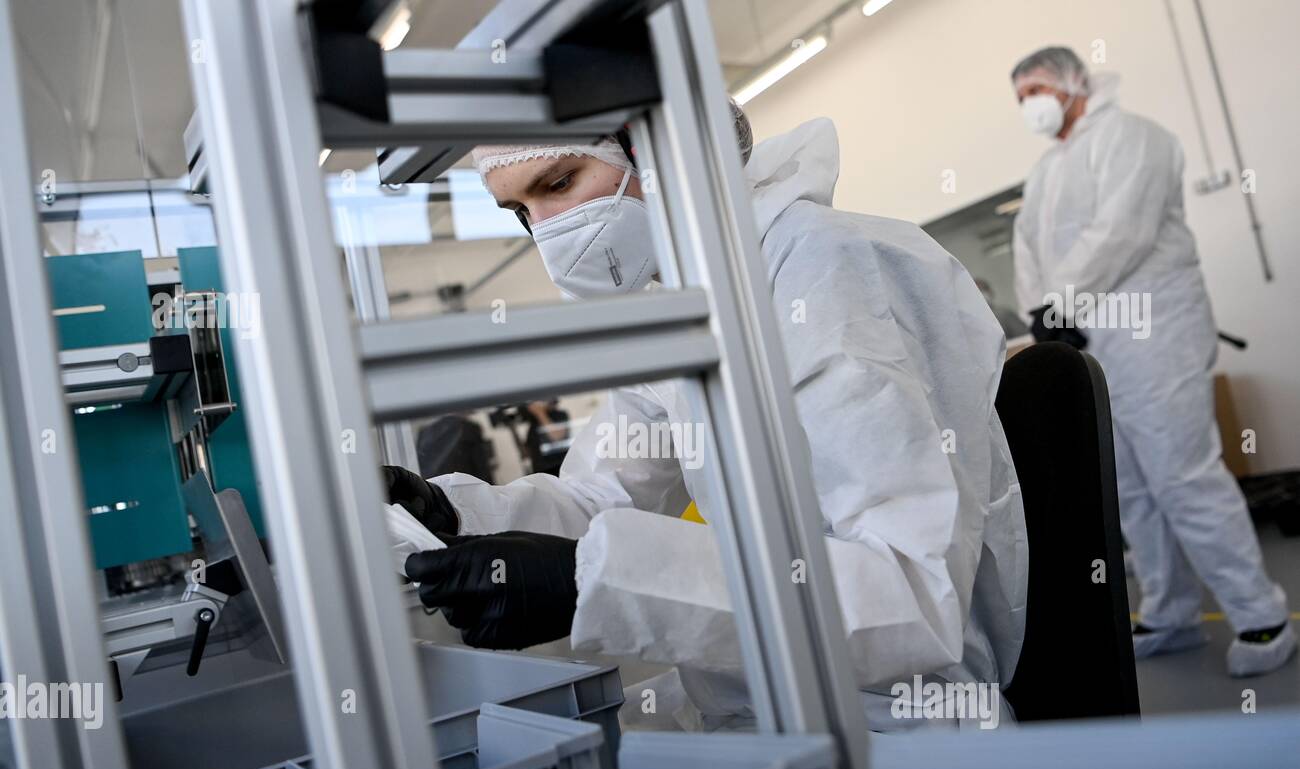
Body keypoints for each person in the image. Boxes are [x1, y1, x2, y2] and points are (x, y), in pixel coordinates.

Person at [387, 100, 1028, 731]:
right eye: (523, 211)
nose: (547, 229)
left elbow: (912, 596)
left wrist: (595, 582)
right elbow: (604, 493)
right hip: (759, 696)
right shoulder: (675, 304)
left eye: (558, 183)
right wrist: (458, 516)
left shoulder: (818, 267)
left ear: (664, 149)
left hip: (899, 722)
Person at [1010, 46, 1295, 676]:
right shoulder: (1045, 173)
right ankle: (1172, 612)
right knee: (1131, 485)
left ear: (1073, 82)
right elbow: (1027, 249)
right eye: (1019, 96)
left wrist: (1060, 305)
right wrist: (1046, 315)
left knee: (1184, 474)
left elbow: (1123, 231)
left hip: (1154, 333)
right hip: (1091, 340)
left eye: (1034, 88)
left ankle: (1260, 614)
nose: (1029, 104)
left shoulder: (1137, 138)